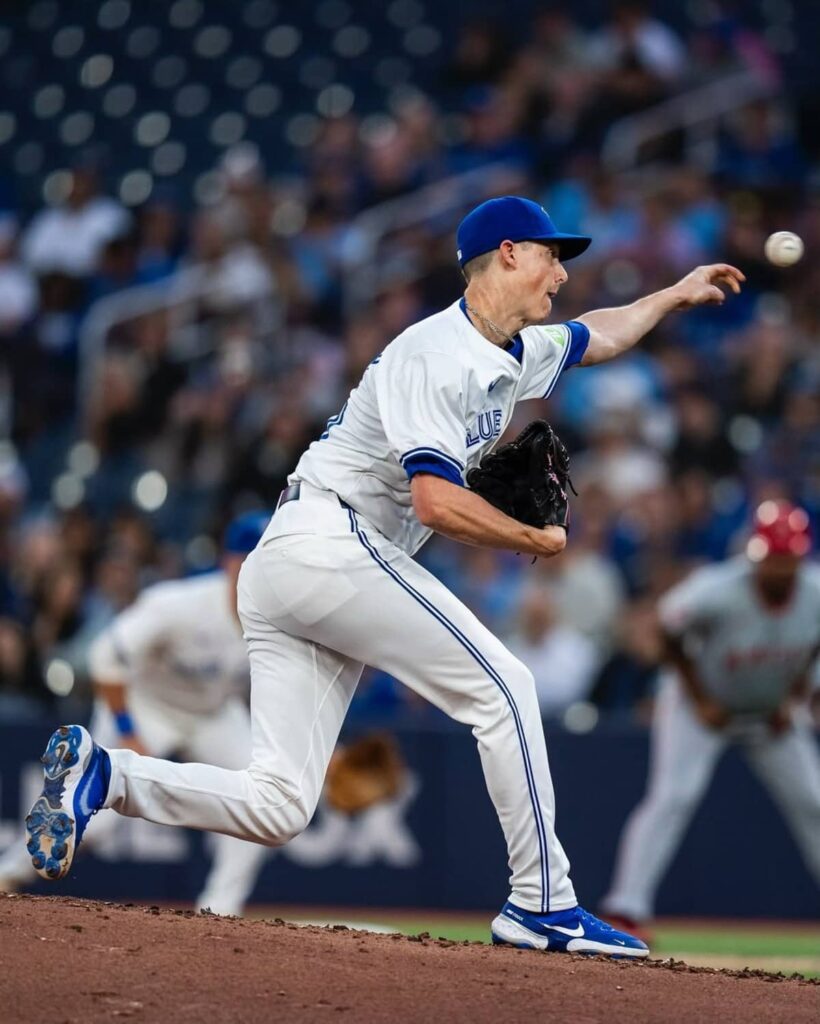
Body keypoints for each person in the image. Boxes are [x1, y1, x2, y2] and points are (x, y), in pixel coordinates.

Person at [25, 196, 744, 957]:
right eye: (550, 255)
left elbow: (598, 334)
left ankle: (106, 778)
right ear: (506, 253)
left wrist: (669, 295)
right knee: (506, 687)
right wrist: (533, 537)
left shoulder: (510, 348)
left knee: (280, 805)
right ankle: (543, 902)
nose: (561, 274)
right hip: (330, 542)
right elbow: (434, 500)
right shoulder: (435, 354)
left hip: (298, 563)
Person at [8, 513, 272, 916]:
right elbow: (106, 656)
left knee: (265, 799)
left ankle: (220, 909)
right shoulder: (180, 605)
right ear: (230, 562)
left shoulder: (277, 617)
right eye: (251, 557)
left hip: (212, 713)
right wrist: (128, 730)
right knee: (103, 822)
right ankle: (8, 872)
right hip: (144, 704)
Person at [602, 500, 820, 934]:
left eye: (785, 559)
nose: (777, 569)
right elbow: (665, 629)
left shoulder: (815, 593)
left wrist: (795, 695)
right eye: (770, 559)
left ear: (800, 557)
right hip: (699, 712)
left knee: (814, 801)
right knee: (673, 797)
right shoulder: (717, 588)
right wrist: (700, 697)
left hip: (768, 716)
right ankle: (626, 909)